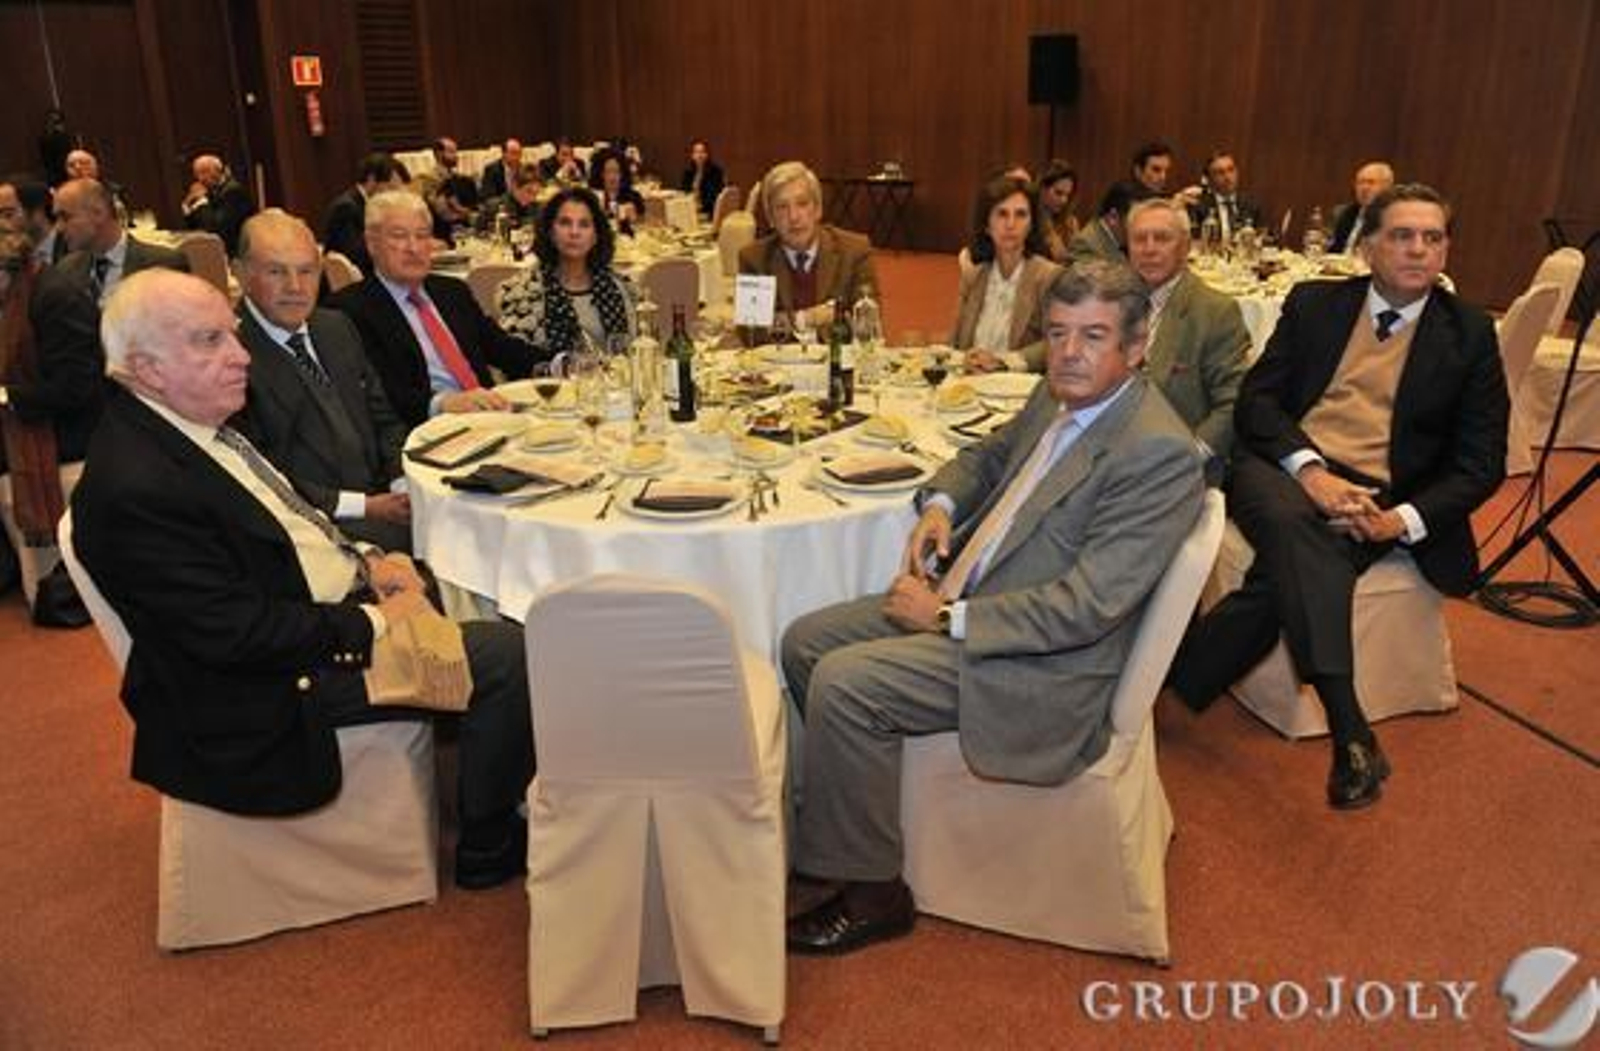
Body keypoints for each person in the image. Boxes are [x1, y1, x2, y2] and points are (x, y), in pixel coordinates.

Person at [781, 262, 1205, 954]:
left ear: (1136, 347)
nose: (1069, 352)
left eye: (1093, 335)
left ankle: (873, 892)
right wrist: (942, 506)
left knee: (845, 683)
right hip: (976, 594)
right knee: (804, 640)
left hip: (1041, 663)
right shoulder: (1060, 391)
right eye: (1058, 333)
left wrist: (944, 618)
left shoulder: (1156, 452)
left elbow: (1085, 608)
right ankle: (850, 817)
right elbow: (988, 453)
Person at [72, 268, 535, 889]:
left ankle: (484, 743)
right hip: (265, 688)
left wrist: (369, 560)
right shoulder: (138, 487)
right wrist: (374, 618)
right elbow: (237, 635)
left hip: (309, 604)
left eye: (233, 335)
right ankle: (487, 842)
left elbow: (288, 516)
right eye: (209, 341)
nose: (242, 356)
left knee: (466, 575)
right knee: (510, 652)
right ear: (146, 368)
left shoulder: (184, 424)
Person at [1163, 184, 1509, 810]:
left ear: (1446, 250)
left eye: (1433, 238)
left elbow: (1482, 463)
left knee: (1290, 565)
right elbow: (1258, 403)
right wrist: (1311, 472)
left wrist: (1398, 521)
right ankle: (1349, 725)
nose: (1419, 250)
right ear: (1369, 247)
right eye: (1402, 236)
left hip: (1378, 494)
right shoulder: (1315, 303)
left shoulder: (1470, 333)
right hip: (1286, 468)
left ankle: (1182, 674)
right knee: (1295, 523)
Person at [233, 210, 412, 552]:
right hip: (309, 525)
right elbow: (258, 476)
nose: (295, 287)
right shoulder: (230, 355)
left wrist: (401, 484)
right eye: (276, 272)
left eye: (306, 271)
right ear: (240, 273)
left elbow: (385, 418)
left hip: (385, 497)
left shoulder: (336, 327)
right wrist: (365, 506)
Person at [328, 190, 543, 427]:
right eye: (399, 236)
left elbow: (500, 346)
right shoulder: (350, 311)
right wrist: (442, 404)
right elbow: (382, 394)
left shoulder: (452, 291)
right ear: (371, 243)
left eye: (422, 236)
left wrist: (555, 363)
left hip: (490, 416)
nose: (413, 247)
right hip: (428, 429)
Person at [1124, 198, 1250, 463]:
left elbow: (1234, 402)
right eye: (1139, 239)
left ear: (1185, 246)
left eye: (1161, 239)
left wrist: (1189, 456)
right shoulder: (1115, 300)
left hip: (1176, 457)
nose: (1149, 249)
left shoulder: (1215, 312)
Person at [497, 187, 639, 368]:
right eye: (565, 223)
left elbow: (634, 353)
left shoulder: (620, 288)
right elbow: (514, 362)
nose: (574, 232)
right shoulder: (522, 294)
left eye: (584, 224)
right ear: (550, 232)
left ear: (596, 236)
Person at [738, 160, 878, 338]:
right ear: (770, 218)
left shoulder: (855, 250)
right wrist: (806, 318)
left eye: (802, 204)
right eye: (782, 207)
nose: (793, 217)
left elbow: (869, 324)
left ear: (818, 209)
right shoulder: (754, 258)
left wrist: (781, 321)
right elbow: (751, 331)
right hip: (779, 357)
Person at [950, 173, 1061, 373]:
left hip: (1017, 386)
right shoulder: (973, 275)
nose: (1011, 224)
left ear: (1031, 225)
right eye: (1002, 214)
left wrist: (1003, 362)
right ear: (986, 225)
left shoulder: (1048, 276)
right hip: (969, 382)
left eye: (1021, 215)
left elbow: (1057, 340)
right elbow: (955, 344)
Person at [54, 178, 188, 306]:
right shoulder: (67, 269)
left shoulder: (162, 264)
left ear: (99, 213)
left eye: (65, 217)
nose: (58, 228)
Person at [322, 152, 406, 277]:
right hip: (357, 279)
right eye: (390, 187)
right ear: (371, 180)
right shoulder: (346, 208)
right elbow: (358, 255)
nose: (393, 196)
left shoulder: (371, 205)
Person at [1064, 179, 1153, 267]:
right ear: (1113, 217)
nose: (1142, 226)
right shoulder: (1086, 246)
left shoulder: (1123, 241)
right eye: (1135, 219)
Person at [180, 154, 256, 257]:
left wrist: (201, 200)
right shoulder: (210, 191)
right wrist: (187, 205)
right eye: (197, 174)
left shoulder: (233, 191)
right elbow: (196, 226)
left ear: (218, 170)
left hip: (237, 251)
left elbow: (215, 229)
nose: (200, 178)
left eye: (204, 172)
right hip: (216, 248)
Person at [1190, 151, 1266, 243]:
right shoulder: (1199, 206)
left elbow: (1262, 234)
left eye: (1231, 170)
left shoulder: (1251, 205)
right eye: (1220, 173)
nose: (1227, 177)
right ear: (1209, 179)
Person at [1330, 161, 1396, 254]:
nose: (1364, 188)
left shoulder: (1395, 218)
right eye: (1360, 183)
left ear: (1387, 187)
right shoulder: (1346, 213)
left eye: (1370, 182)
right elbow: (1333, 250)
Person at [0, 173, 65, 266]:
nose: (1, 223)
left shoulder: (70, 247)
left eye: (8, 214)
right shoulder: (10, 257)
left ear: (37, 211)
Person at [587, 148, 645, 231]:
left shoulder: (633, 197)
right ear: (601, 174)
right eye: (608, 171)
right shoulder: (593, 197)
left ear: (622, 174)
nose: (612, 177)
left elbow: (643, 223)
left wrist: (635, 218)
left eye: (616, 171)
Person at [1037, 160, 1080, 263]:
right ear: (1042, 189)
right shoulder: (1029, 219)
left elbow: (1078, 259)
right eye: (1058, 193)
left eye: (1068, 195)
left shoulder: (1070, 222)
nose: (1064, 200)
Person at [679, 139, 726, 219]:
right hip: (690, 209)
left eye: (702, 152)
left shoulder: (715, 172)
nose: (699, 155)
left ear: (707, 155)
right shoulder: (688, 173)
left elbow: (713, 196)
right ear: (692, 156)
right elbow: (683, 192)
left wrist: (699, 206)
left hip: (708, 212)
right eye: (696, 152)